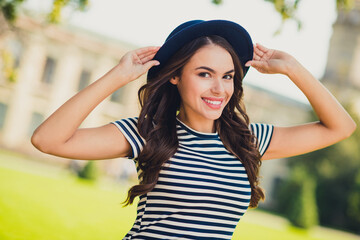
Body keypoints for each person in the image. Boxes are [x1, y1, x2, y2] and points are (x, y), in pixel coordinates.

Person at [31, 20, 356, 239]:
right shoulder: (149, 133)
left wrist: (294, 70)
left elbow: (341, 127)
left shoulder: (249, 140)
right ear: (176, 75)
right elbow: (47, 139)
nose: (219, 88)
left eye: (228, 76)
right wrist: (117, 76)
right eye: (204, 74)